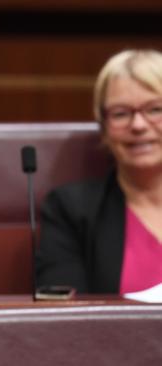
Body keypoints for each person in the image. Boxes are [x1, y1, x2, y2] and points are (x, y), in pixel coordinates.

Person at [36, 49, 162, 295]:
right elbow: (63, 315)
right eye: (121, 113)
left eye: (155, 109)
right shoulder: (71, 209)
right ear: (103, 128)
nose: (138, 125)